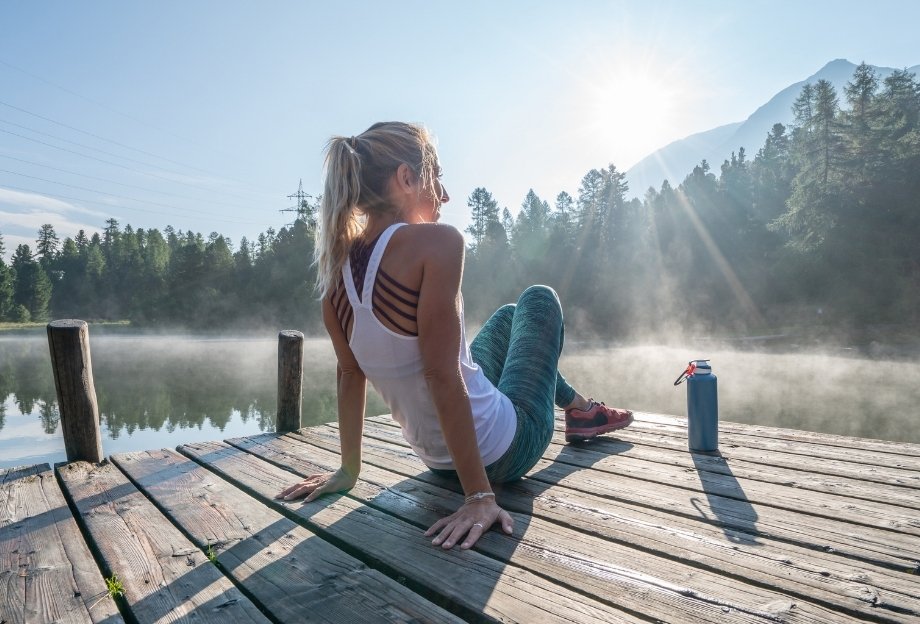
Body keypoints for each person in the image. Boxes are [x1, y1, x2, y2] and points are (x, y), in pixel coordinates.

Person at [276, 121, 632, 550]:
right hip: (506, 450)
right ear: (406, 179)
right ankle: (582, 411)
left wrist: (348, 470)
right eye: (436, 177)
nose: (443, 194)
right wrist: (480, 497)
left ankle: (580, 408)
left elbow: (350, 376)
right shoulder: (437, 243)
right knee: (538, 300)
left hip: (439, 464)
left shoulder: (336, 277)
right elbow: (441, 375)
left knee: (505, 318)